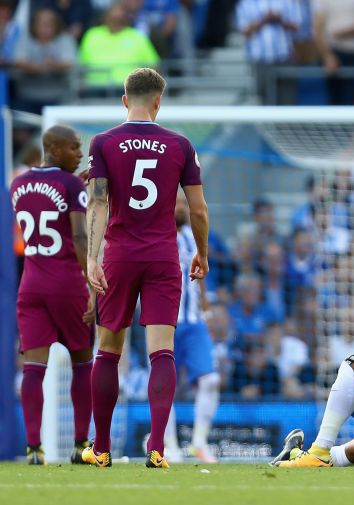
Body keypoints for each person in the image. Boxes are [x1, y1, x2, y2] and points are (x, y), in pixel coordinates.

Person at [83, 68, 210, 469]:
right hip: (162, 257)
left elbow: (98, 203)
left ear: (124, 100)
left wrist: (91, 255)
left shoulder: (104, 142)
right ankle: (157, 447)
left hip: (119, 256)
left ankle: (100, 448)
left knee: (108, 351)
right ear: (159, 102)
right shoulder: (180, 145)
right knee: (162, 352)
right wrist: (202, 253)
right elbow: (198, 209)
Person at [10, 125, 95, 465]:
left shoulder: (17, 184)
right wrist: (93, 284)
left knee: (33, 368)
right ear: (55, 148)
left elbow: (48, 197)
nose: (79, 154)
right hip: (66, 284)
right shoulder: (71, 184)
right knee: (83, 362)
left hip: (30, 285)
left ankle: (34, 448)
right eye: (74, 148)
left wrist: (77, 185)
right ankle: (81, 444)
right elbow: (78, 237)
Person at [162, 194, 220, 464]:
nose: (182, 208)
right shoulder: (156, 237)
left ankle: (199, 443)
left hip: (194, 322)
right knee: (163, 385)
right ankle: (169, 445)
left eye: (185, 204)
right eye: (177, 204)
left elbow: (201, 274)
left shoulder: (192, 237)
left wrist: (207, 311)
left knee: (210, 380)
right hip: (164, 322)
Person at [78, 2, 160, 88]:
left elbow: (154, 68)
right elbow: (79, 67)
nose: (116, 16)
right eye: (112, 13)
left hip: (131, 92)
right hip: (94, 91)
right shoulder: (92, 35)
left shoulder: (138, 37)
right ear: (105, 16)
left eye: (120, 14)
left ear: (126, 17)